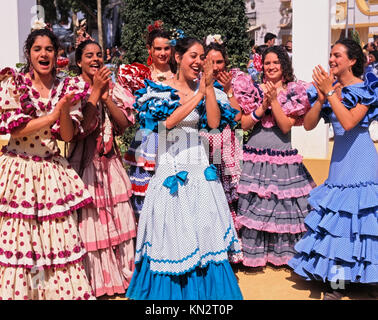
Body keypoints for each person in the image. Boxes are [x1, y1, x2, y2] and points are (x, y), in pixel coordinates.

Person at [125, 37, 243, 300]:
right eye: (193, 56)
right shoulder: (160, 91)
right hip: (172, 172)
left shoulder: (207, 89)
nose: (199, 62)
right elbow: (164, 125)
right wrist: (199, 94)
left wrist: (209, 89)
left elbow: (213, 123)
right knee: (171, 235)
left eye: (202, 57)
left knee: (205, 232)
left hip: (200, 170)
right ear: (178, 58)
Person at [0, 27, 95, 300]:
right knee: (20, 240)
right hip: (18, 171)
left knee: (56, 239)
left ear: (57, 54)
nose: (44, 54)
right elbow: (15, 130)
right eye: (37, 49)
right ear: (29, 55)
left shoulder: (67, 87)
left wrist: (64, 111)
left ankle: (54, 294)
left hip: (51, 171)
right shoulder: (14, 84)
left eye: (49, 49)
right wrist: (54, 114)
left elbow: (67, 135)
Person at [288, 38, 378, 300]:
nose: (331, 59)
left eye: (337, 55)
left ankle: (369, 283)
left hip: (363, 163)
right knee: (337, 227)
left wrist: (329, 93)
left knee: (367, 225)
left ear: (352, 60)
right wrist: (320, 97)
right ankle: (337, 286)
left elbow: (349, 122)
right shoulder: (329, 90)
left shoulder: (367, 88)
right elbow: (308, 125)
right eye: (330, 55)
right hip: (339, 165)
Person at [66, 39, 137, 298]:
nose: (95, 59)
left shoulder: (112, 87)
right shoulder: (73, 89)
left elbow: (124, 124)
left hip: (110, 164)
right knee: (90, 226)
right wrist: (94, 93)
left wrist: (107, 98)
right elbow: (77, 132)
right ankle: (97, 282)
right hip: (84, 168)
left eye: (98, 55)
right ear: (79, 61)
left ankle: (120, 276)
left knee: (119, 224)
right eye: (88, 56)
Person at [235, 45, 316, 268]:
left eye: (275, 63)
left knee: (283, 205)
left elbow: (284, 126)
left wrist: (272, 101)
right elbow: (243, 124)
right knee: (256, 205)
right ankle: (255, 255)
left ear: (284, 66)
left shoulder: (294, 90)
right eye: (267, 63)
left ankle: (281, 256)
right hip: (254, 153)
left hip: (282, 154)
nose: (271, 67)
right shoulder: (252, 88)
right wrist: (261, 107)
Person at [121, 22, 175, 218]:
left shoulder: (179, 75)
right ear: (149, 49)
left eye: (166, 48)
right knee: (145, 199)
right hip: (146, 142)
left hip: (173, 142)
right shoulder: (140, 75)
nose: (162, 53)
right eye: (158, 48)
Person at [201, 36, 243, 263]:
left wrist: (228, 91)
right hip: (203, 147)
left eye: (219, 62)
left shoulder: (232, 84)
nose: (216, 67)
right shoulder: (198, 83)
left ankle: (229, 251)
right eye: (211, 62)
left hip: (225, 147)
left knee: (227, 199)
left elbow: (237, 117)